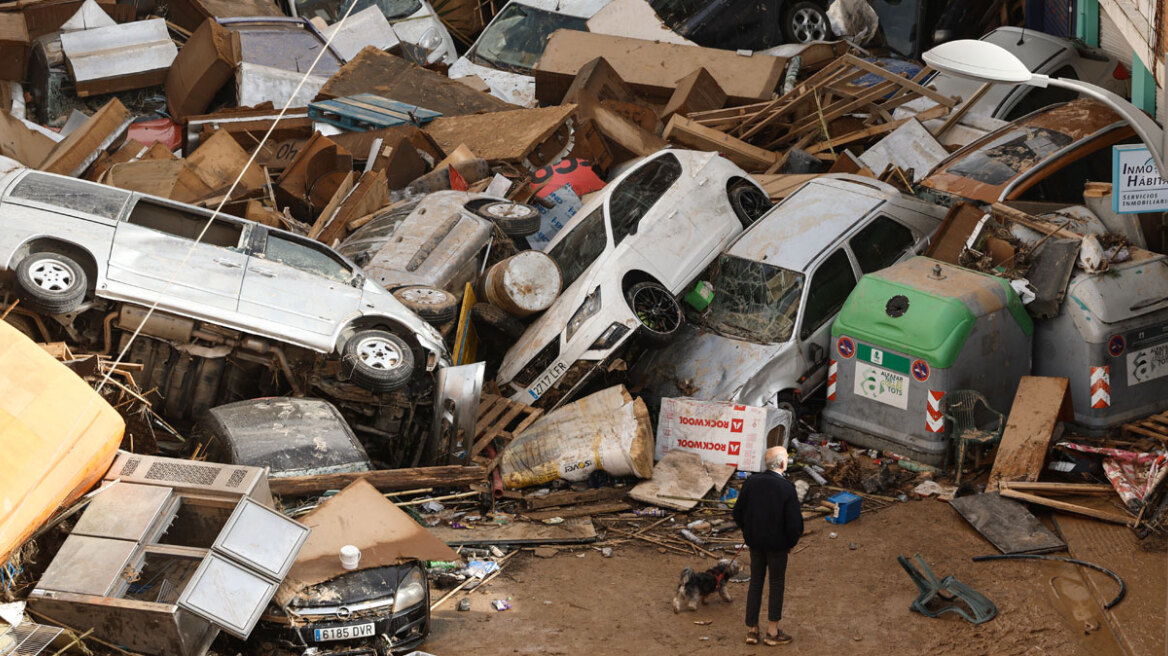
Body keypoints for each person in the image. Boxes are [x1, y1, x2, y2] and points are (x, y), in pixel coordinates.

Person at [732, 445, 803, 645]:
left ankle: (752, 630)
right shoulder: (787, 488)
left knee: (756, 582)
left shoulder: (751, 482)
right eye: (786, 458)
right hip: (778, 546)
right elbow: (795, 524)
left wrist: (748, 531)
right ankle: (772, 632)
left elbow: (737, 513)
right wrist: (791, 542)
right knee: (776, 583)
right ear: (782, 463)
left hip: (755, 543)